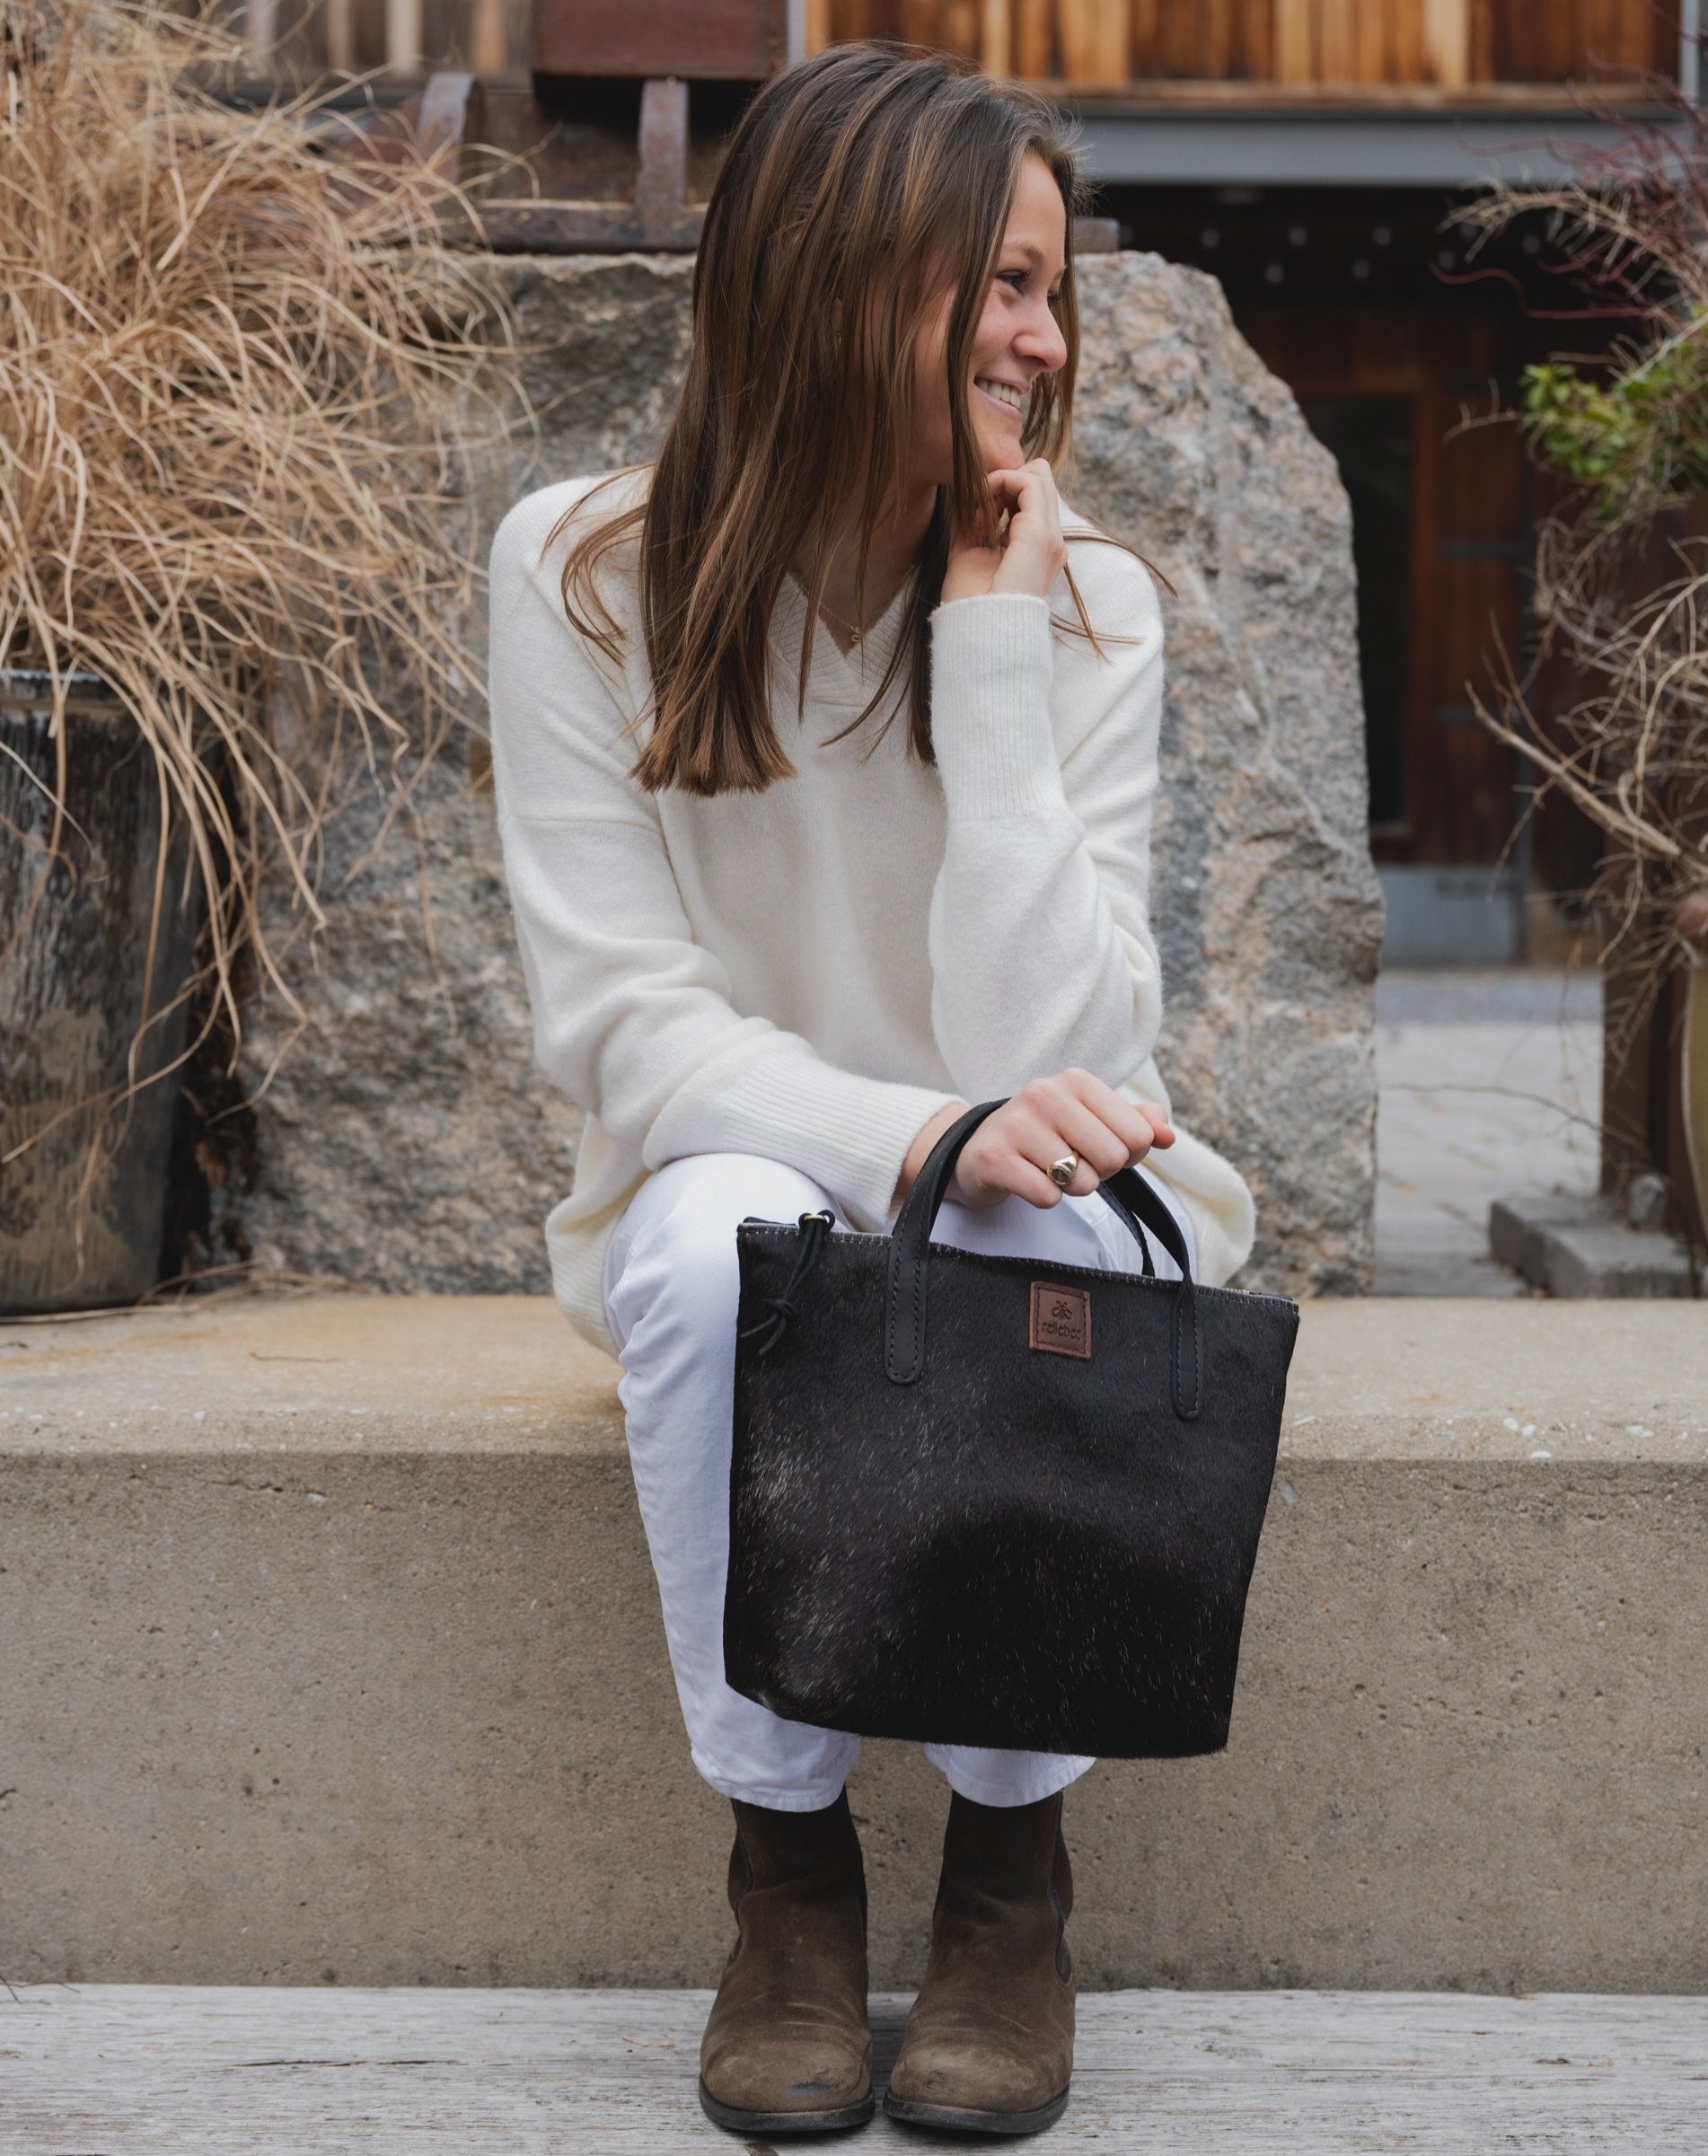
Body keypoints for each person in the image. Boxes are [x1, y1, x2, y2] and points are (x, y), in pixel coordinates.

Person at [487, 40, 1255, 2140]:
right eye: (993, 280)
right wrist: (910, 1134)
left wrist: (997, 649)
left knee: (1042, 1232)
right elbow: (624, 1027)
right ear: (836, 272)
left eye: (1048, 287)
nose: (1038, 333)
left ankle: (1011, 1878)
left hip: (1034, 1178)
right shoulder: (583, 573)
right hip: (755, 1182)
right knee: (714, 1245)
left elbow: (1054, 1057)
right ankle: (791, 1880)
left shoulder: (1087, 607)